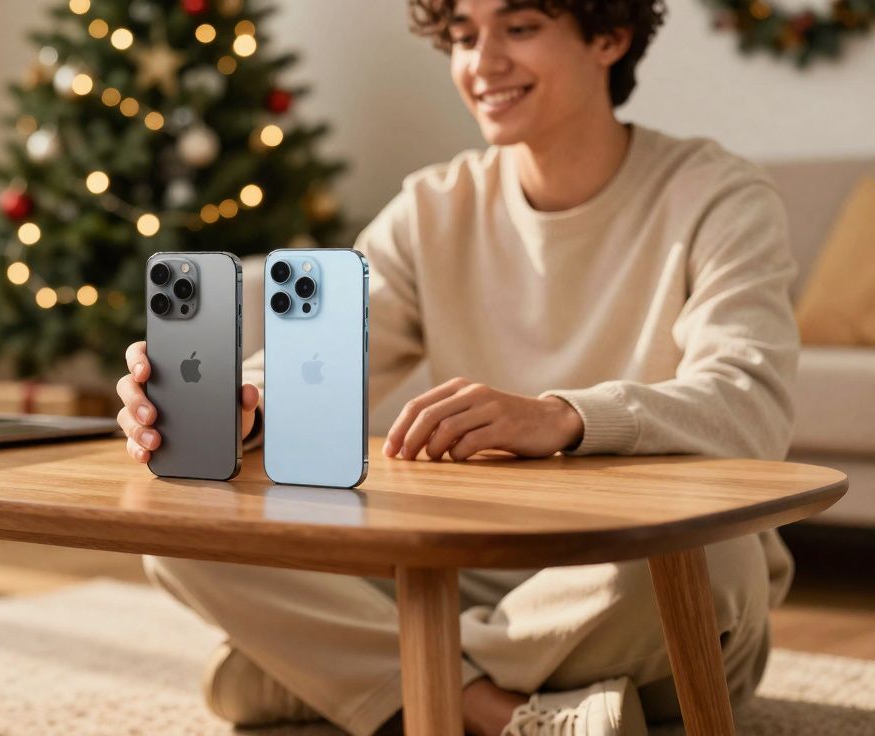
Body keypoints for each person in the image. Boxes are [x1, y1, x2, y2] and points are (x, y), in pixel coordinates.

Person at [114, 0, 799, 733]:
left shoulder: (719, 196)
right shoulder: (434, 206)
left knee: (710, 557)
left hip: (628, 598)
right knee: (183, 520)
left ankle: (356, 671)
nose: (483, 62)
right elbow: (318, 350)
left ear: (611, 36)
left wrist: (562, 417)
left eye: (521, 28)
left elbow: (749, 402)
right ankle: (498, 711)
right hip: (465, 567)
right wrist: (244, 401)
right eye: (464, 37)